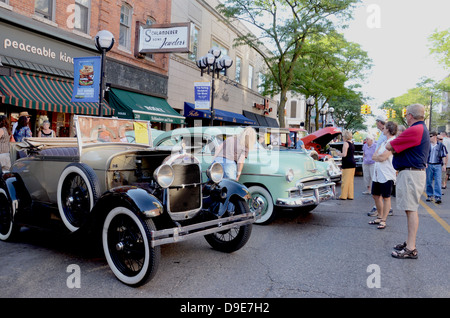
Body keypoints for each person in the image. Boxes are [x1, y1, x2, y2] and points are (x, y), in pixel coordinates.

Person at [385, 104, 430, 259]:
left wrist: (397, 148)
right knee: (410, 209)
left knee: (411, 210)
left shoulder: (415, 129)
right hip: (412, 173)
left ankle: (411, 248)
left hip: (411, 173)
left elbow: (389, 145)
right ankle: (409, 242)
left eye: (406, 115)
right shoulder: (421, 129)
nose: (405, 117)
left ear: (410, 115)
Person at [368, 121, 398, 230]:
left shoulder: (393, 141)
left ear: (388, 129)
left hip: (386, 174)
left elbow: (382, 157)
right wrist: (378, 157)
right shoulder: (384, 142)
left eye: (384, 128)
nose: (382, 129)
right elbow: (374, 156)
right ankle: (379, 216)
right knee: (375, 195)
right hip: (377, 173)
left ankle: (383, 220)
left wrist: (378, 157)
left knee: (386, 197)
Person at [368, 115, 387, 216]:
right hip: (378, 164)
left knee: (381, 190)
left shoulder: (386, 135)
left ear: (380, 122)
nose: (376, 124)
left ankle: (379, 210)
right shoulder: (382, 133)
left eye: (377, 122)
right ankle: (381, 209)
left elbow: (384, 150)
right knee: (378, 190)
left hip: (383, 165)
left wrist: (376, 157)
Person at [425, 131, 447, 204]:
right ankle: (429, 195)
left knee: (438, 180)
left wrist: (444, 165)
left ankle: (438, 196)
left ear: (435, 136)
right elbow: (424, 155)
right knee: (429, 180)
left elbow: (444, 155)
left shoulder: (441, 145)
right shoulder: (427, 145)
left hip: (437, 165)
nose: (429, 138)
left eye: (430, 136)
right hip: (429, 164)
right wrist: (425, 163)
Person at [336, 130, 356, 200]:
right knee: (350, 181)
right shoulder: (352, 143)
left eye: (343, 136)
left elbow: (344, 154)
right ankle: (350, 195)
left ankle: (343, 195)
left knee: (344, 180)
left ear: (345, 136)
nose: (342, 137)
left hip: (347, 163)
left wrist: (338, 153)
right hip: (352, 163)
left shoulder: (345, 143)